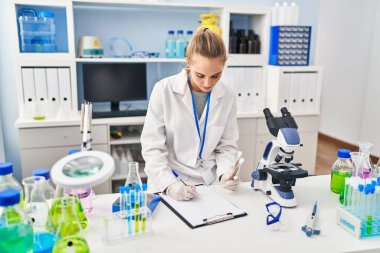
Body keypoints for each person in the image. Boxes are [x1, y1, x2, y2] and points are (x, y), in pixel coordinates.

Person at [141, 28, 239, 201]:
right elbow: (152, 148)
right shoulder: (164, 90)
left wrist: (225, 174)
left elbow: (226, 146)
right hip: (170, 179)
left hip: (210, 183)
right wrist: (170, 185)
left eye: (216, 76)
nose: (208, 83)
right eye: (200, 75)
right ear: (188, 62)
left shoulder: (228, 96)